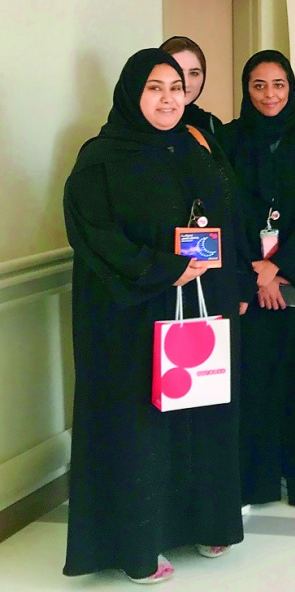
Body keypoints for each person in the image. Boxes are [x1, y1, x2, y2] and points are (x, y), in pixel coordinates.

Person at [63, 49, 244, 583]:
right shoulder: (100, 158)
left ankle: (204, 522)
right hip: (130, 318)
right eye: (155, 88)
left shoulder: (195, 146)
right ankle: (139, 545)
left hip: (198, 308)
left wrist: (225, 283)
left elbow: (225, 218)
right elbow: (95, 236)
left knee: (200, 414)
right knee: (140, 424)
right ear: (130, 93)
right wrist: (165, 270)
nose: (169, 99)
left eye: (176, 88)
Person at [217, 50, 295, 508]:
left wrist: (281, 266)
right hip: (249, 288)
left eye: (278, 85)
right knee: (254, 384)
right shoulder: (226, 141)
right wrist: (253, 270)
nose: (269, 95)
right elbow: (221, 214)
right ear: (246, 90)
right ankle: (255, 482)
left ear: (290, 88)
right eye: (258, 85)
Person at [161, 35, 222, 136]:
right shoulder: (139, 122)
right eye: (177, 71)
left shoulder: (211, 125)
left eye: (194, 73)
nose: (186, 82)